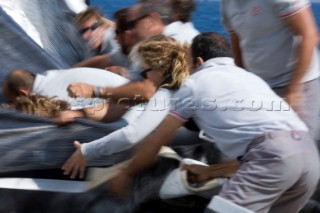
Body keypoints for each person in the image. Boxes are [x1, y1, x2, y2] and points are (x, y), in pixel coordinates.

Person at [106, 32, 320, 213]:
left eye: (189, 63)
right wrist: (211, 172)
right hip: (309, 157)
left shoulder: (195, 83)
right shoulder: (251, 80)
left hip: (273, 156)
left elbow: (156, 139)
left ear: (199, 62)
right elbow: (269, 151)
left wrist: (127, 172)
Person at [62, 35, 190, 179]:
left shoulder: (167, 93)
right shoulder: (192, 74)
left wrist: (86, 151)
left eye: (145, 72)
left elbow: (132, 135)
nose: (146, 78)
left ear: (160, 70)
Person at [220, 0, 320, 137]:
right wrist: (242, 86)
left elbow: (309, 35)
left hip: (297, 83)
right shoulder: (227, 3)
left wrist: (293, 89)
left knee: (301, 144)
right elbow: (237, 42)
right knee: (268, 147)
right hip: (261, 88)